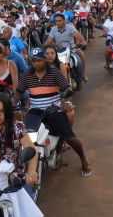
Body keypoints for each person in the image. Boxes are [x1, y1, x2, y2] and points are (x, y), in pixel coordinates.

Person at [19, 48, 91, 177]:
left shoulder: (54, 73)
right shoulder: (26, 75)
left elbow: (66, 88)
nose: (36, 63)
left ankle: (84, 161)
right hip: (35, 113)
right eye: (33, 61)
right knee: (24, 139)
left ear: (45, 61)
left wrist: (63, 98)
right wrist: (15, 103)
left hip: (53, 111)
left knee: (70, 138)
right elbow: (19, 91)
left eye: (39, 61)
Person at [45, 13, 88, 82]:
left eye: (59, 21)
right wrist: (46, 45)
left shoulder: (70, 27)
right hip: (59, 51)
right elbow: (48, 41)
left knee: (81, 54)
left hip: (71, 49)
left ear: (64, 21)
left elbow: (79, 36)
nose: (58, 23)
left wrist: (83, 42)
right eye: (56, 21)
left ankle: (83, 74)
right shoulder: (53, 29)